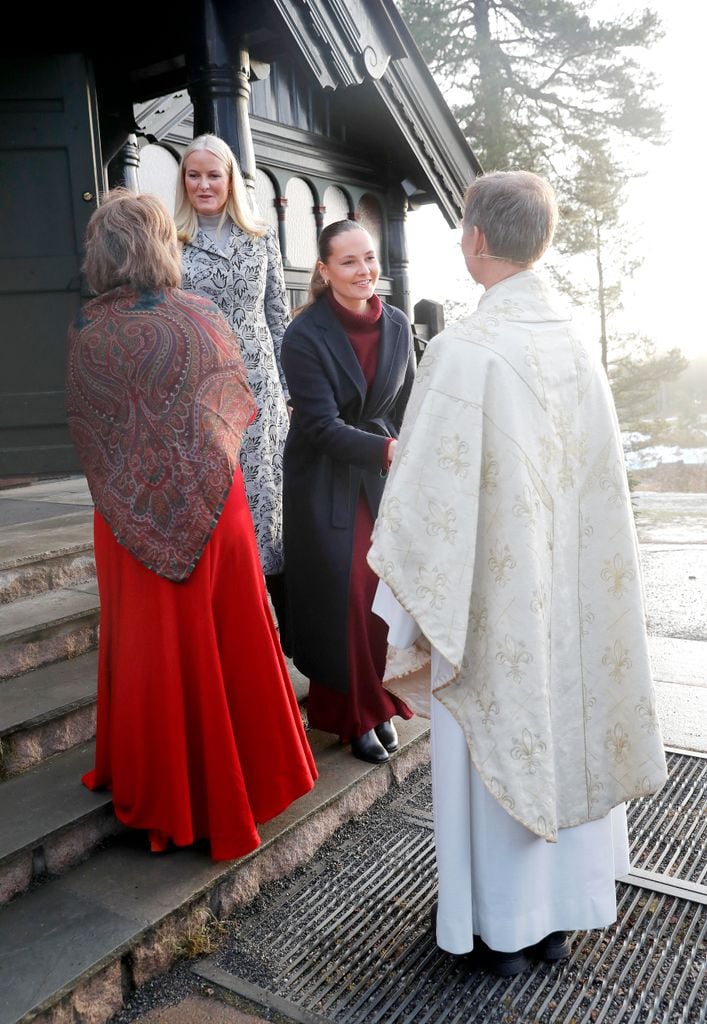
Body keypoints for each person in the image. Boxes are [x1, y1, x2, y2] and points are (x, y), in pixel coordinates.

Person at [368, 171, 668, 974]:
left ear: (474, 240)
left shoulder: (465, 351)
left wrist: (405, 607)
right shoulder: (576, 345)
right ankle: (557, 918)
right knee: (564, 728)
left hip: (495, 605)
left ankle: (497, 929)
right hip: (570, 601)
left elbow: (421, 506)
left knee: (497, 729)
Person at [66, 189, 317, 862]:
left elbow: (93, 434)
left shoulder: (87, 330)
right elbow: (237, 406)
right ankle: (242, 780)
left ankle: (162, 786)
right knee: (225, 636)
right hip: (216, 504)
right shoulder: (202, 313)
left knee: (150, 643)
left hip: (127, 513)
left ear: (101, 252)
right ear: (159, 245)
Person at [281, 219, 416, 765]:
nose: (364, 271)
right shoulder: (304, 335)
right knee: (347, 594)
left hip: (385, 477)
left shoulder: (400, 325)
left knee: (382, 593)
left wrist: (411, 454)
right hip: (324, 478)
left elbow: (408, 406)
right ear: (324, 270)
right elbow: (318, 425)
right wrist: (386, 450)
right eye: (349, 262)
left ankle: (378, 701)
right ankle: (349, 712)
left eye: (369, 259)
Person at [175, 133, 290, 637]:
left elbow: (278, 317)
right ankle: (228, 612)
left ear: (230, 180)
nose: (204, 184)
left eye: (213, 175)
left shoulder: (261, 236)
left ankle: (272, 617)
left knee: (266, 493)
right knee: (220, 494)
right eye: (193, 175)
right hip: (200, 387)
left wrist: (289, 388)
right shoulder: (169, 238)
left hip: (260, 382)